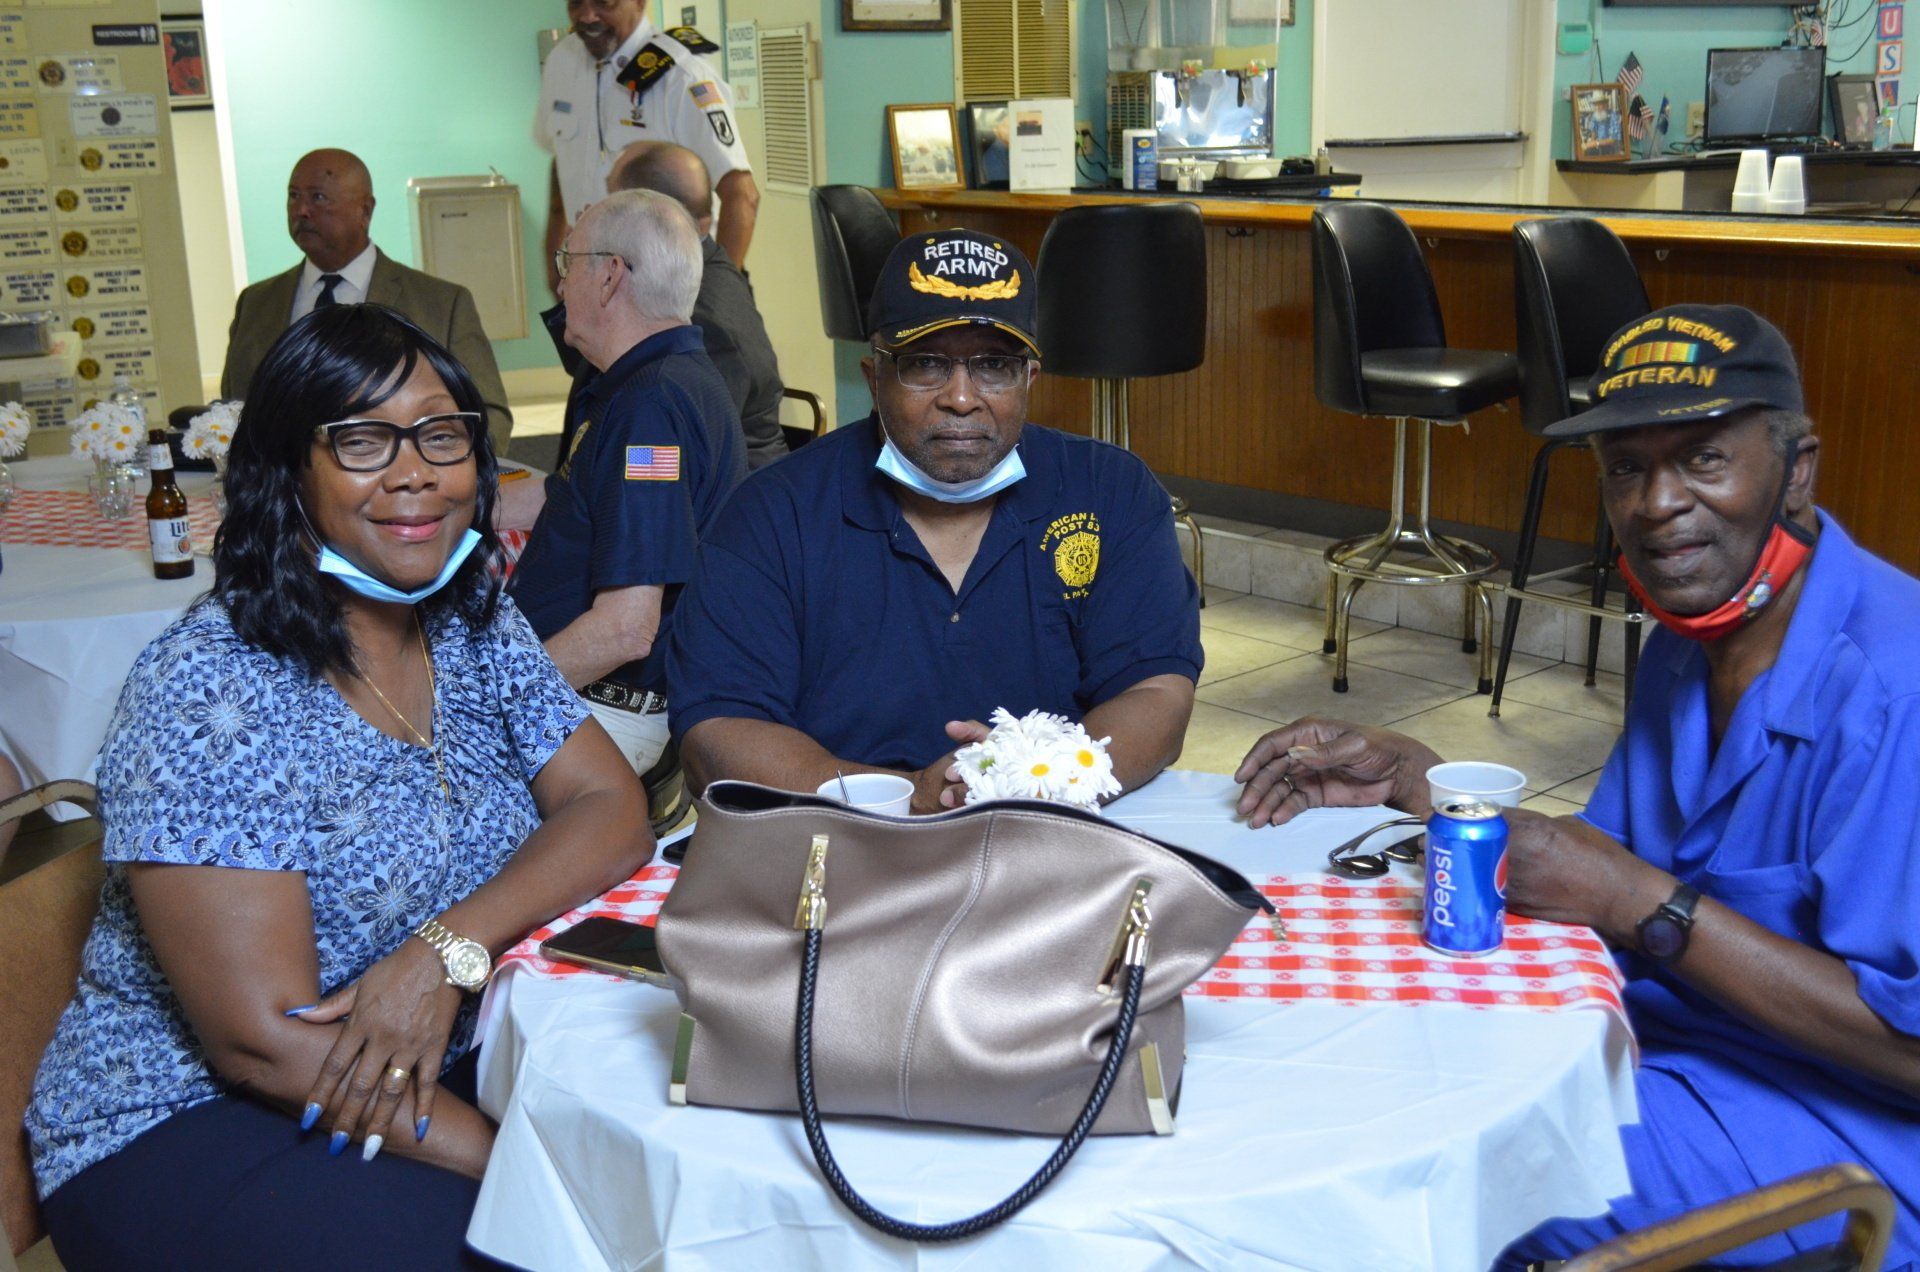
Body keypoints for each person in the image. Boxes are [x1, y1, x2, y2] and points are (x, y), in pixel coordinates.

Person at [1232, 305, 1920, 1270]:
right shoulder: (1696, 632)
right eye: (1627, 468)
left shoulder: (1896, 690)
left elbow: (1901, 1046)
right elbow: (1612, 868)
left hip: (1847, 1135)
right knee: (1344, 1055)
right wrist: (1428, 785)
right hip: (1657, 1041)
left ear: (1796, 469)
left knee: (1407, 1168)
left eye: (1704, 459)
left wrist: (1637, 901)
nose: (1657, 504)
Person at [25, 305, 651, 1269]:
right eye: (362, 441)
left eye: (441, 435)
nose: (414, 472)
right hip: (191, 1122)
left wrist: (442, 952)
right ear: (288, 469)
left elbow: (611, 809)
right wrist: (522, 1165)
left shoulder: (472, 620)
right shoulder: (212, 686)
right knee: (554, 1243)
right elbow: (261, 1046)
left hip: (432, 1058)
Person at [666, 229, 1203, 814]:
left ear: (1029, 380)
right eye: (925, 364)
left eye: (994, 365)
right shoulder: (771, 514)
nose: (962, 398)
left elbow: (1156, 691)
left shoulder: (1111, 492)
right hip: (840, 838)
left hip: (1054, 825)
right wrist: (908, 799)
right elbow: (717, 733)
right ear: (874, 379)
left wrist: (1037, 786)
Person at [502, 189, 745, 780]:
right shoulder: (662, 378)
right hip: (588, 695)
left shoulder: (649, 412)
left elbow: (626, 628)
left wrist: (496, 700)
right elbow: (579, 497)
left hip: (602, 710)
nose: (560, 285)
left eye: (567, 262)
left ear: (609, 276)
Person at [220, 149, 513, 453]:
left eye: (318, 197)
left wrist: (437, 470)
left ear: (365, 210)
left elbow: (489, 415)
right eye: (293, 196)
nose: (301, 210)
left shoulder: (442, 304)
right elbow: (230, 412)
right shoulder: (255, 304)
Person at [536, 0, 760, 278]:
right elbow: (562, 160)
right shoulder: (562, 62)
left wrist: (719, 289)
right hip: (589, 279)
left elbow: (742, 195)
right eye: (576, 2)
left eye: (604, 2)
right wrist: (554, 263)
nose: (587, 15)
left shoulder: (682, 77)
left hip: (669, 284)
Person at [605, 141, 788, 470]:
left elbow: (680, 455)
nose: (599, 220)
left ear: (649, 217)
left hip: (734, 494)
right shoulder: (693, 271)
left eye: (611, 207)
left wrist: (604, 463)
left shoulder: (700, 313)